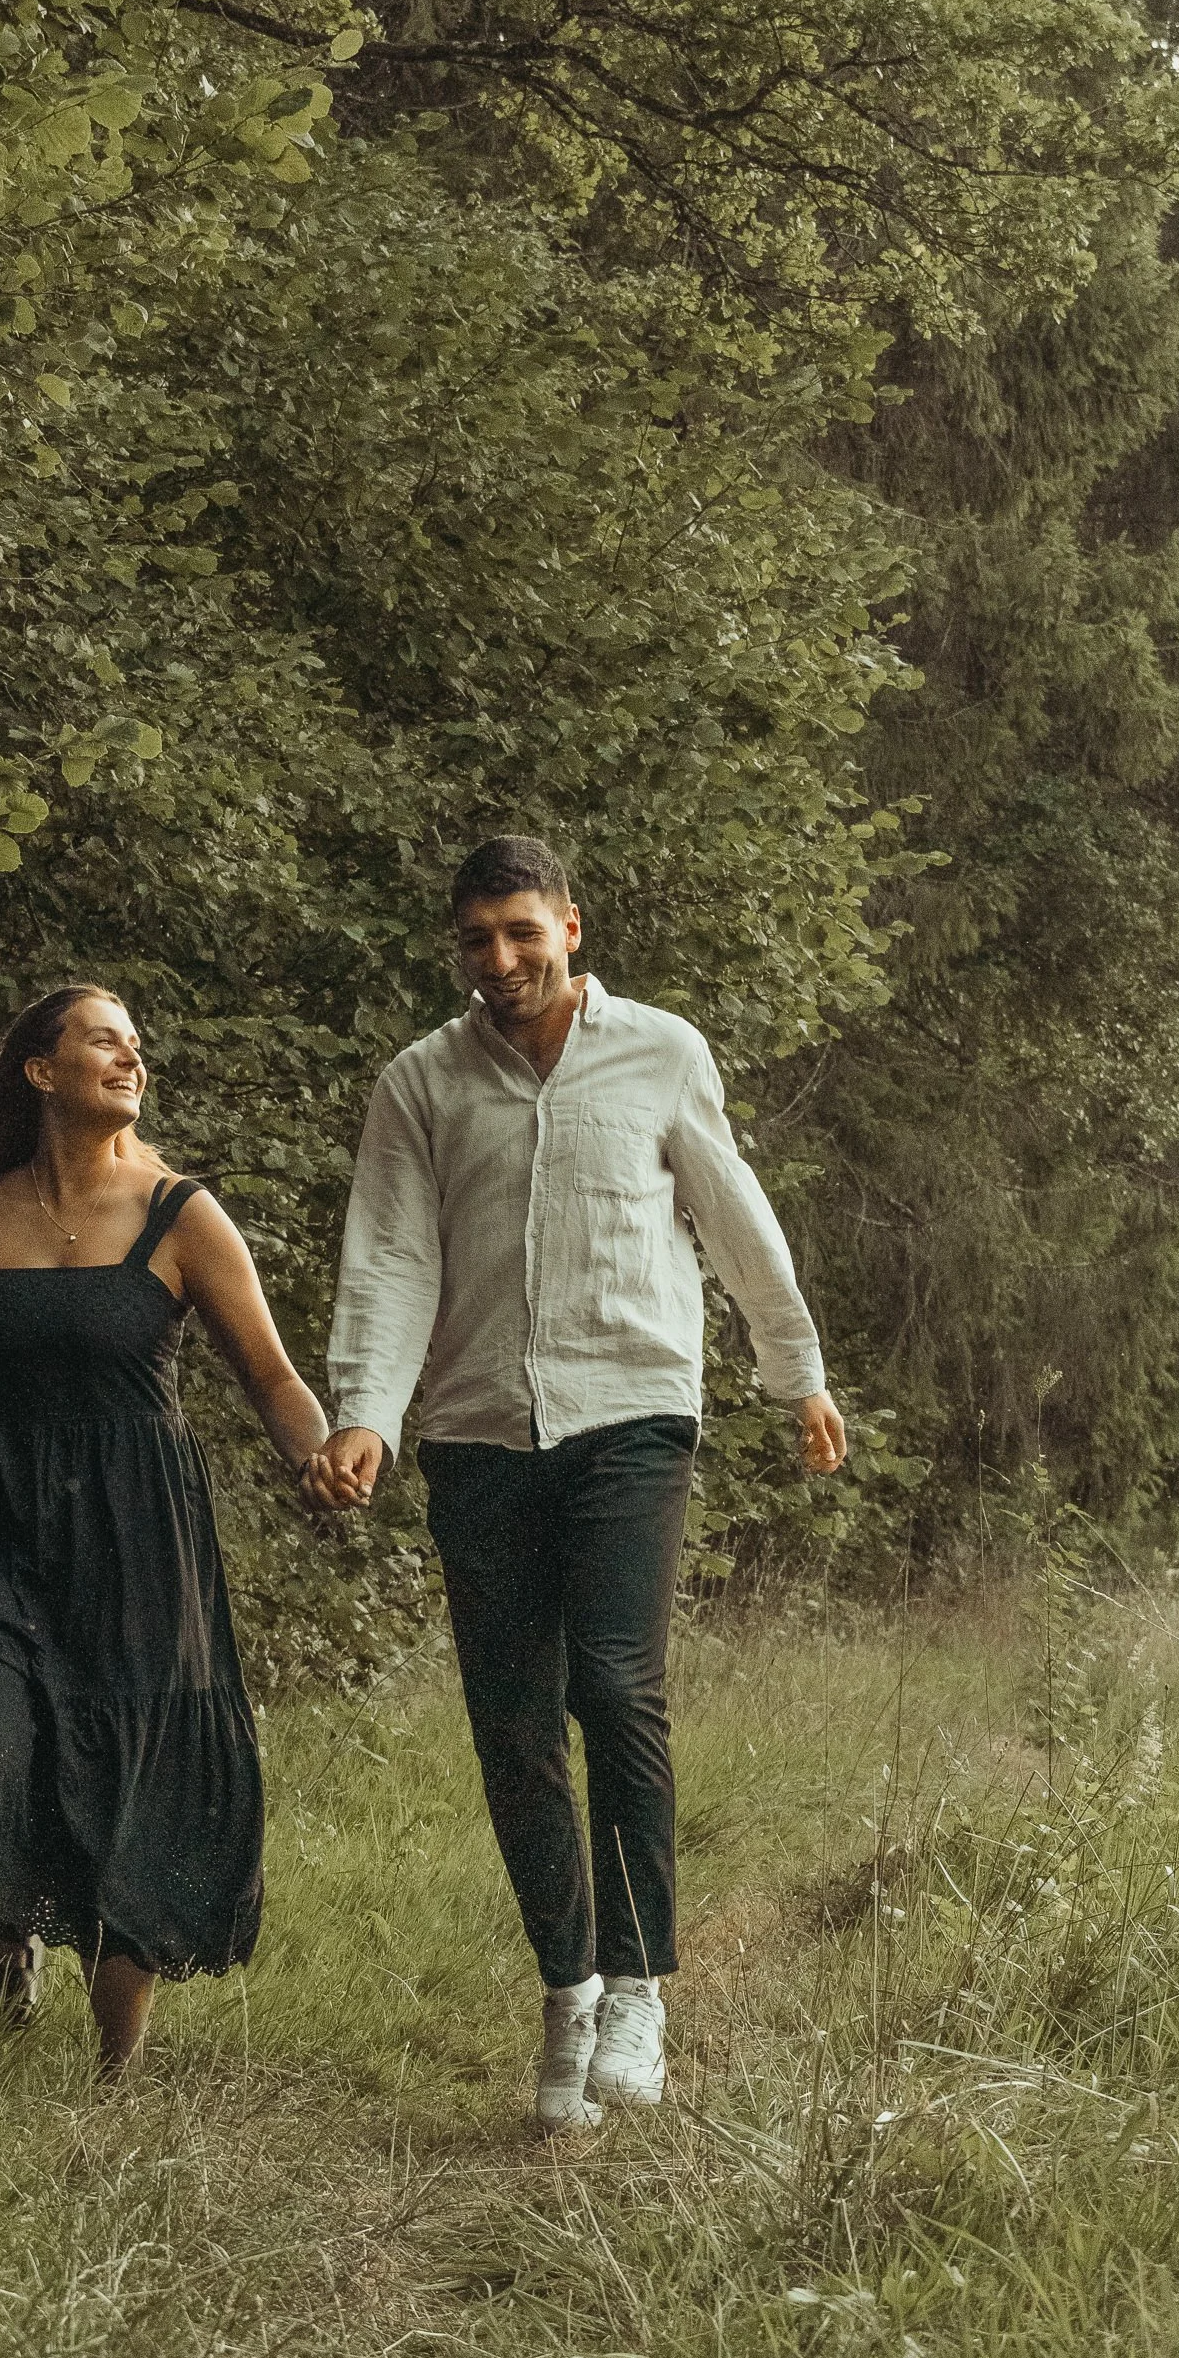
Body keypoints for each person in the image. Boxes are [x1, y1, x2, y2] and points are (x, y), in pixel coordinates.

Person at [309, 837, 846, 2135]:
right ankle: (571, 1986)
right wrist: (366, 1411)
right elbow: (389, 1260)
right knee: (512, 1726)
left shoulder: (661, 1053)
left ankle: (643, 1983)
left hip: (631, 1413)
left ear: (569, 926)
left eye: (520, 932)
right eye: (476, 940)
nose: (500, 961)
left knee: (614, 1683)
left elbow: (734, 1214)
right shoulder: (421, 1085)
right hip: (478, 1428)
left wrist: (798, 1374)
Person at [0, 983, 332, 2071]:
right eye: (104, 1040)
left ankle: (113, 2071)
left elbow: (270, 1376)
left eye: (136, 1044)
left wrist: (319, 1453)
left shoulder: (179, 1212)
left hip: (137, 1530)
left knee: (125, 1771)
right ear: (39, 1072)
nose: (130, 1057)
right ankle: (12, 1913)